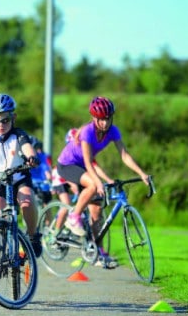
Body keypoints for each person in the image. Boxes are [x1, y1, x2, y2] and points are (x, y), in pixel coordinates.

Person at [57, 96, 149, 242]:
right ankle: (73, 217)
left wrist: (142, 174)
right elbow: (88, 163)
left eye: (108, 118)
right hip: (67, 165)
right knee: (93, 185)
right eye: (101, 119)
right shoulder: (87, 132)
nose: (105, 123)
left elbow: (124, 155)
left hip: (83, 168)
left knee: (96, 210)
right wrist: (99, 183)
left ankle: (96, 250)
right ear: (94, 118)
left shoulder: (113, 131)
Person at [0, 93, 43, 278]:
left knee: (27, 201)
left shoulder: (19, 135)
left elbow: (27, 147)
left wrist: (31, 157)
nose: (1, 125)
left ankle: (32, 236)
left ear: (13, 117)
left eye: (5, 120)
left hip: (19, 177)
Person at [29, 136, 53, 209]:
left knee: (46, 206)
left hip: (43, 184)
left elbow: (46, 169)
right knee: (29, 205)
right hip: (31, 184)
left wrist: (50, 180)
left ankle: (48, 220)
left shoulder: (42, 156)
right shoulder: (25, 157)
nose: (37, 150)